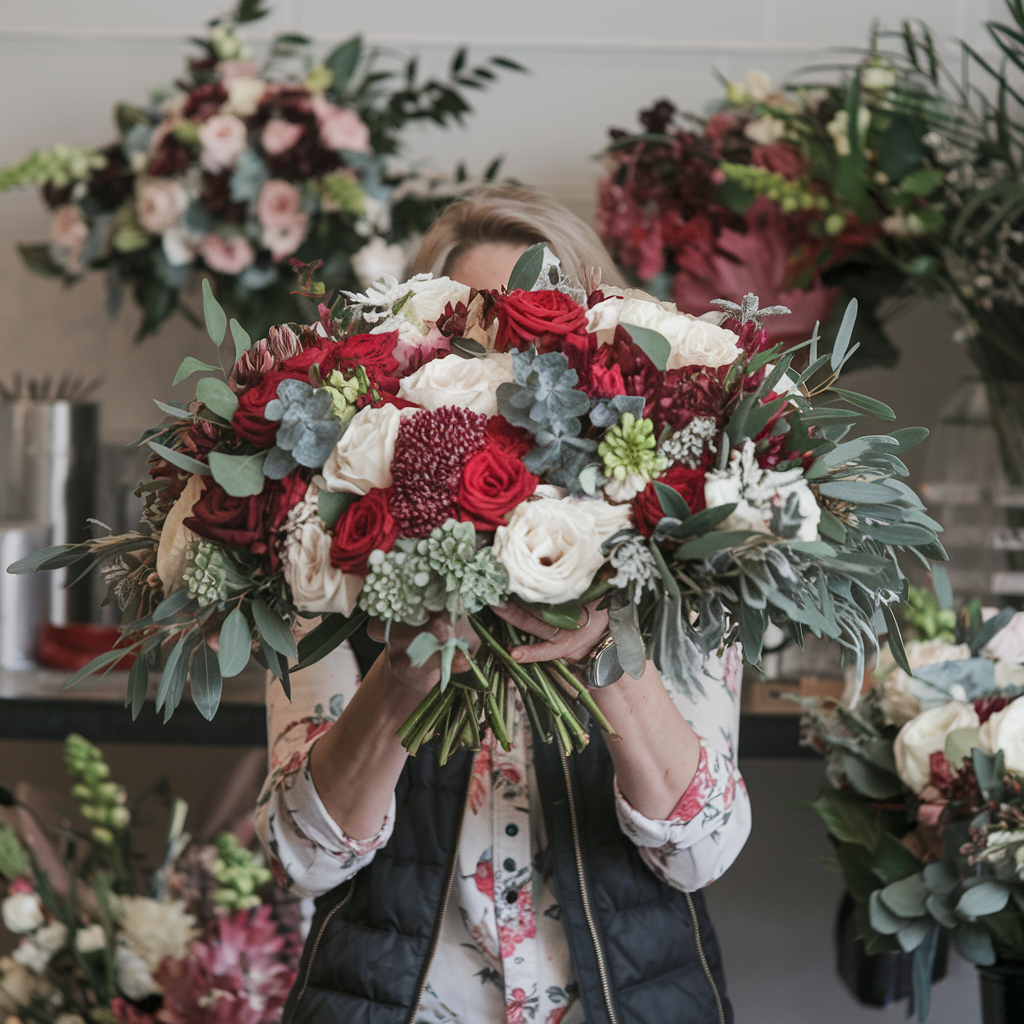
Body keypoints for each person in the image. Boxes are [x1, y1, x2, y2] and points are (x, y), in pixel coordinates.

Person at [256, 184, 751, 1024]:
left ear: (600, 345)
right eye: (478, 329)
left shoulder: (678, 546)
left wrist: (608, 653)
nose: (506, 372)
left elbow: (699, 853)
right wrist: (401, 678)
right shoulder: (333, 547)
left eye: (538, 328)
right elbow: (304, 858)